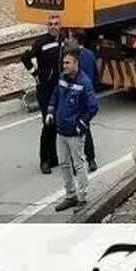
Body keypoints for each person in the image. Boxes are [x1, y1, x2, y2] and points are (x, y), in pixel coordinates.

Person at [47, 49, 98, 212]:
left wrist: (81, 124)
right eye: (64, 63)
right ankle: (70, 195)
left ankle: (82, 198)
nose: (64, 66)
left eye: (67, 63)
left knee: (79, 164)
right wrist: (50, 110)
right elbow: (56, 94)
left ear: (76, 63)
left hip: (75, 133)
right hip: (61, 130)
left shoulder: (84, 82)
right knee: (63, 163)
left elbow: (93, 107)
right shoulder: (62, 78)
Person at [21, 15, 64, 174]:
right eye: (50, 24)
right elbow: (25, 58)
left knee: (56, 124)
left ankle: (53, 157)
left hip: (59, 88)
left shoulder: (63, 40)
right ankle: (44, 161)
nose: (53, 26)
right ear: (47, 26)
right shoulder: (40, 42)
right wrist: (35, 74)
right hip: (45, 89)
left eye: (56, 24)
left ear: (60, 26)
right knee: (48, 123)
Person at [72, 31, 99, 173]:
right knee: (86, 127)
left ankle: (77, 163)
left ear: (76, 41)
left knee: (73, 131)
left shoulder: (73, 57)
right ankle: (91, 159)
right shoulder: (90, 54)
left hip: (75, 96)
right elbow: (96, 75)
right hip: (87, 95)